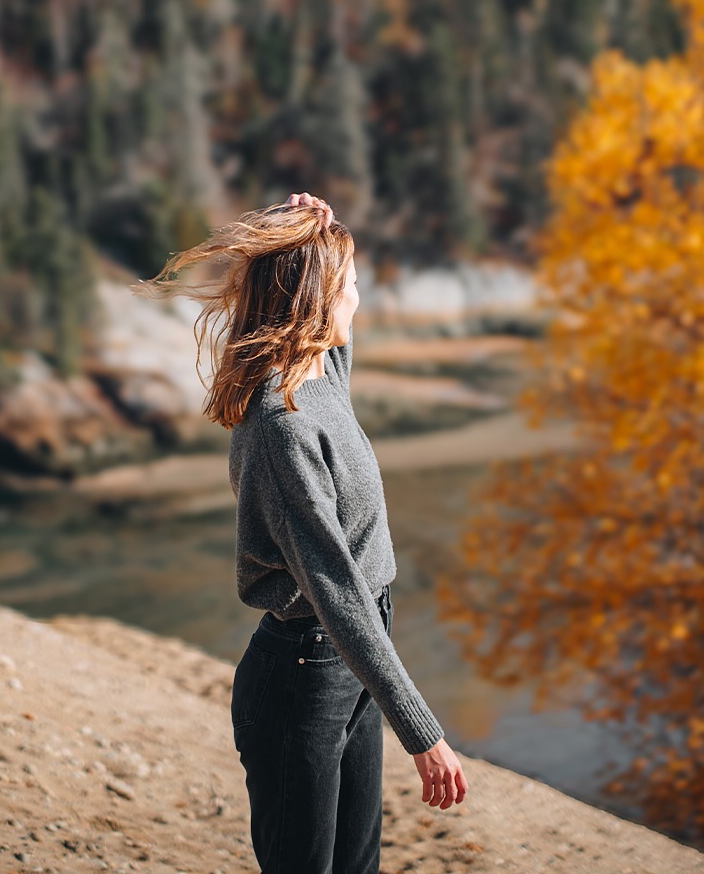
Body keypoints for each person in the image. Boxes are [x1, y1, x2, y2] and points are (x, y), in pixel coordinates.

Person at [136, 190, 468, 873]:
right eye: (347, 287)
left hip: (343, 666)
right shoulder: (283, 427)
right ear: (316, 300)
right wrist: (423, 734)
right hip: (303, 676)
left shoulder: (318, 381)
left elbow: (334, 340)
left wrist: (311, 223)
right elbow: (336, 591)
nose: (357, 300)